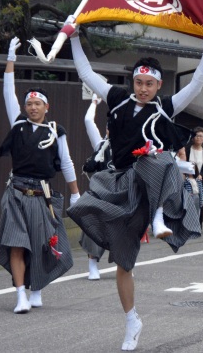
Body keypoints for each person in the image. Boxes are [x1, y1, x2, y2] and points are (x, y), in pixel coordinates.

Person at [67, 18, 203, 351]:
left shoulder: (165, 107)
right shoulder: (118, 99)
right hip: (121, 185)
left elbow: (193, 88)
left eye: (149, 83)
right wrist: (74, 37)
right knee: (123, 262)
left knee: (156, 155)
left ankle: (160, 216)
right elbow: (87, 75)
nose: (143, 88)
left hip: (152, 182)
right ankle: (132, 319)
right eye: (139, 82)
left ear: (159, 85)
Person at [0, 37, 80, 314]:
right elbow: (9, 93)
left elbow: (65, 162)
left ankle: (37, 288)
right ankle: (21, 294)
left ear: (46, 107)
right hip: (17, 191)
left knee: (41, 244)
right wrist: (11, 58)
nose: (32, 107)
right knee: (16, 243)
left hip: (42, 194)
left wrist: (76, 193)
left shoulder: (56, 131)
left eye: (37, 103)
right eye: (29, 102)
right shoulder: (18, 124)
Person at [81, 93, 113, 281]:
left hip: (121, 194)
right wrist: (94, 102)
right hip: (101, 194)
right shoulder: (100, 145)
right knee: (93, 226)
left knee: (124, 230)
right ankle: (93, 263)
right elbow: (87, 120)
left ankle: (124, 264)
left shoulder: (130, 147)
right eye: (110, 128)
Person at [185, 127, 203, 225]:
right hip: (188, 180)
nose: (198, 138)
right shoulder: (187, 149)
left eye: (200, 136)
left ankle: (197, 225)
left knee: (200, 203)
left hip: (200, 180)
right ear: (192, 138)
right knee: (188, 202)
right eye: (196, 136)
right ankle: (187, 224)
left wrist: (201, 175)